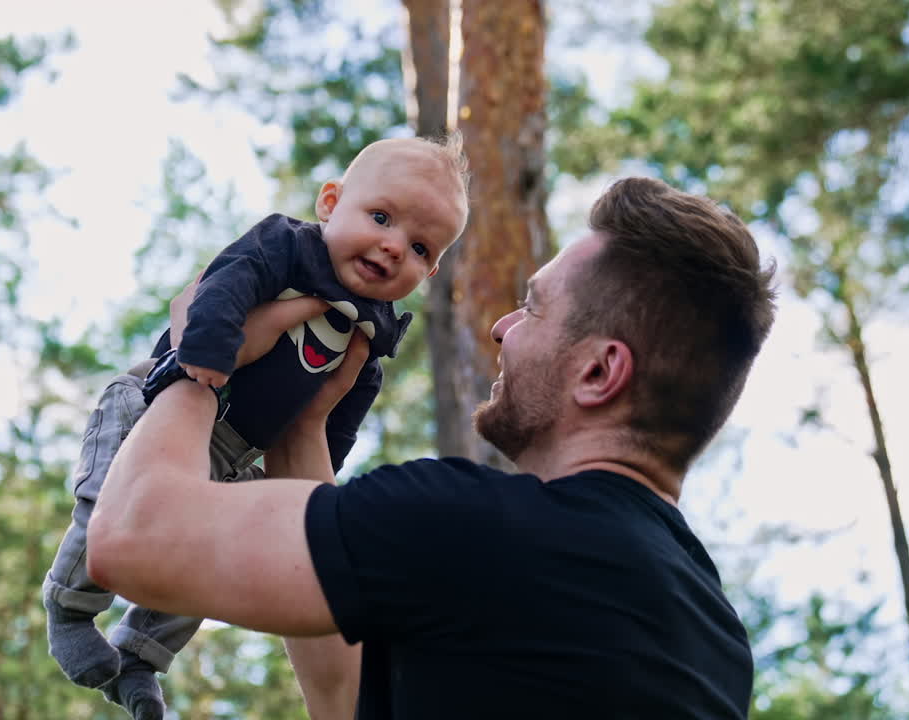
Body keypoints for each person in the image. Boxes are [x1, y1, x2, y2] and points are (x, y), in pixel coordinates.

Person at [87, 176, 778, 719]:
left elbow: (129, 537)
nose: (503, 328)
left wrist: (198, 359)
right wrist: (304, 424)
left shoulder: (476, 526)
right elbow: (344, 701)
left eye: (534, 308)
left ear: (598, 372)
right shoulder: (715, 641)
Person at [42, 134, 470, 719]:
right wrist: (209, 356)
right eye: (380, 217)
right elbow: (227, 280)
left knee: (213, 550)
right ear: (329, 203)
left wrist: (305, 493)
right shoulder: (288, 247)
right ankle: (69, 609)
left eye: (420, 246)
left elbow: (334, 422)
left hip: (236, 453)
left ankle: (140, 655)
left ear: (432, 267)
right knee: (111, 503)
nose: (394, 246)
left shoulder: (366, 340)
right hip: (155, 403)